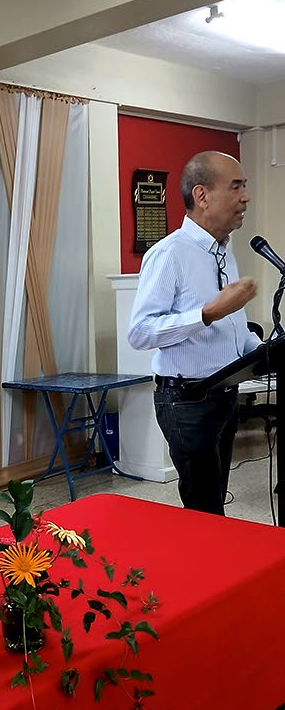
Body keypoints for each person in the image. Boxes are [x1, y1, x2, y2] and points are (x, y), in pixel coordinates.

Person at [128, 150, 261, 515]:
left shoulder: (224, 250)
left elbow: (235, 328)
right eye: (236, 186)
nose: (245, 197)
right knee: (205, 510)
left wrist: (263, 351)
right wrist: (205, 313)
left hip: (224, 395)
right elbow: (140, 332)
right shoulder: (169, 254)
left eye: (244, 186)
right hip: (187, 401)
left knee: (215, 500)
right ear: (202, 196)